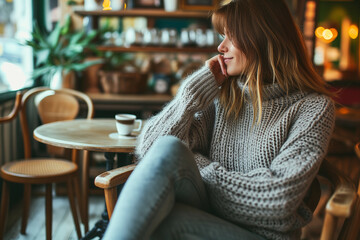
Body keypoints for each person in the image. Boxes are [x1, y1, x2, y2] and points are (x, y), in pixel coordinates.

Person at [103, 0, 335, 239]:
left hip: (263, 235)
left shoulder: (314, 109)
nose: (220, 46)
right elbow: (151, 150)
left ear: (262, 38)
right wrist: (192, 94)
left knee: (162, 221)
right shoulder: (225, 96)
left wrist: (196, 165)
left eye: (230, 37)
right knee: (169, 147)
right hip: (206, 218)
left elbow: (278, 200)